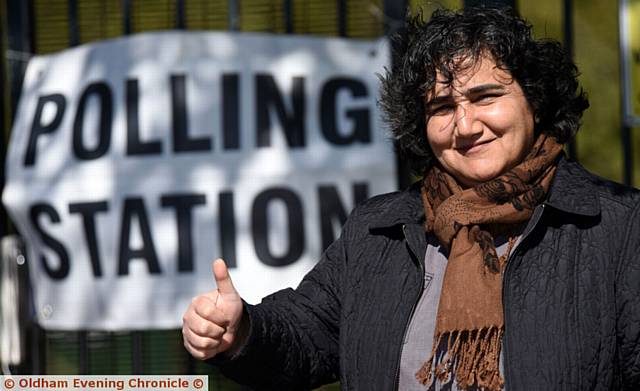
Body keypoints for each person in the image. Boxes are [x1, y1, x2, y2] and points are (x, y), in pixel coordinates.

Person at [182, 7, 640, 391]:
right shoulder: (377, 229)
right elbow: (305, 337)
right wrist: (243, 332)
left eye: (485, 97)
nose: (464, 126)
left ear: (534, 102)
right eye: (442, 107)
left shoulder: (619, 228)